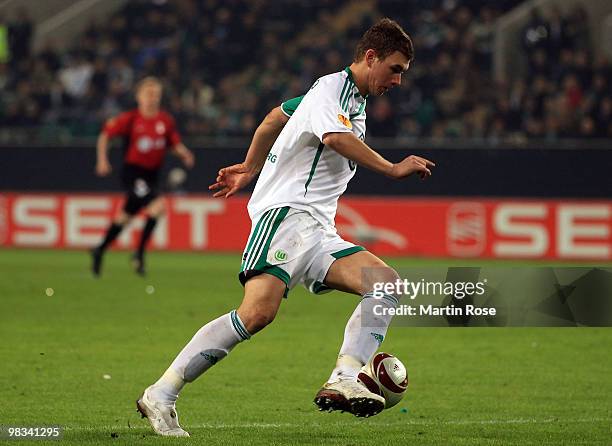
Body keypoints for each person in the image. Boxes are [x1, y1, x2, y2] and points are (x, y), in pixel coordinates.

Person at [137, 19, 434, 437]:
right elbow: (333, 139)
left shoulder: (348, 102)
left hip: (317, 230)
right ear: (371, 57)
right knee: (256, 314)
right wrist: (390, 167)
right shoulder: (331, 90)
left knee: (385, 283)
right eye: (396, 68)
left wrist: (249, 168)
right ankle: (161, 394)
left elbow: (273, 118)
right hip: (285, 216)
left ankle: (344, 376)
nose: (399, 80)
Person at [91, 76, 194, 277]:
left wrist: (185, 153)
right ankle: (138, 254)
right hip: (133, 173)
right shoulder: (130, 118)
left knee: (124, 218)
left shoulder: (165, 120)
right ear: (139, 96)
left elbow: (173, 143)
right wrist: (102, 160)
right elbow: (105, 135)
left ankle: (99, 249)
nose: (152, 98)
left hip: (152, 175)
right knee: (158, 207)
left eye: (156, 94)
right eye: (148, 94)